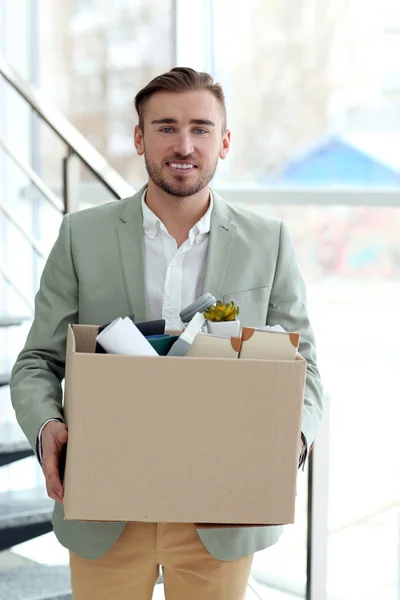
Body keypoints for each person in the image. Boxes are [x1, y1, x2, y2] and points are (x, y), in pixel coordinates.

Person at [10, 67, 324, 600]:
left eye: (201, 128)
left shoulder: (267, 242)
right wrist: (46, 429)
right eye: (166, 127)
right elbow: (37, 360)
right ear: (139, 138)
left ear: (224, 142)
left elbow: (306, 368)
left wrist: (287, 442)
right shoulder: (81, 236)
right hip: (105, 507)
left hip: (221, 513)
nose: (184, 145)